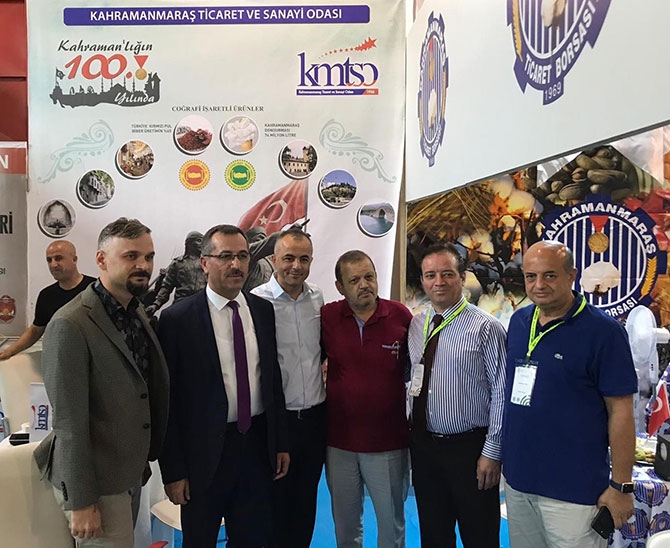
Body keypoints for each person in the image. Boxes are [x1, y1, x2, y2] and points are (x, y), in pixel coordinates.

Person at [33, 218, 169, 547]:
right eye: (131, 256)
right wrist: (81, 500)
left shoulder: (134, 312)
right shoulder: (70, 324)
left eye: (149, 257)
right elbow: (68, 422)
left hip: (129, 471)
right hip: (96, 481)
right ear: (101, 260)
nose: (143, 265)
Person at [158, 224, 290, 548]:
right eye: (226, 256)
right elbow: (168, 402)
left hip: (256, 447)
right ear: (204, 263)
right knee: (200, 540)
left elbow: (272, 381)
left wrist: (279, 442)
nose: (236, 264)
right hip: (202, 456)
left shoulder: (263, 311)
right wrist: (173, 470)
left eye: (242, 256)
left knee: (252, 539)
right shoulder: (177, 320)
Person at [502, 241, 637, 548]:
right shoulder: (520, 322)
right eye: (531, 276)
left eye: (549, 275)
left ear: (571, 275)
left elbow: (621, 411)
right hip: (519, 483)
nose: (539, 285)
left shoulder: (604, 332)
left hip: (574, 492)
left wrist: (621, 486)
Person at [407, 243, 507, 548]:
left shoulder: (486, 327)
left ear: (462, 278)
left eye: (447, 274)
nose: (438, 282)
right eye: (430, 275)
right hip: (425, 448)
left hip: (470, 450)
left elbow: (501, 391)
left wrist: (492, 452)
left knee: (480, 536)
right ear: (423, 280)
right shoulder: (417, 324)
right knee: (434, 535)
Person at [321, 250, 412, 548]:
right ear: (340, 287)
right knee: (346, 527)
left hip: (388, 444)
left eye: (369, 277)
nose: (364, 285)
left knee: (391, 526)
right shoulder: (327, 317)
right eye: (354, 280)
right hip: (340, 444)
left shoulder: (400, 316)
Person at [251, 227, 326, 548]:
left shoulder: (318, 298)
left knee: (305, 505)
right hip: (275, 422)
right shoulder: (256, 301)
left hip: (315, 420)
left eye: (304, 259)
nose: (297, 266)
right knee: (273, 506)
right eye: (289, 258)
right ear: (273, 259)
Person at [0, 240, 94, 360]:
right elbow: (35, 331)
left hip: (95, 361)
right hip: (61, 360)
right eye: (49, 260)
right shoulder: (46, 296)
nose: (53, 264)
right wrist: (9, 352)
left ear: (74, 259)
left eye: (58, 258)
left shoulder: (96, 289)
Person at [145, 231, 207, 316]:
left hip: (201, 306)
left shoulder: (208, 264)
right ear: (189, 243)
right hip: (181, 306)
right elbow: (166, 287)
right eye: (199, 240)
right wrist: (156, 305)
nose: (202, 244)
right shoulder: (178, 264)